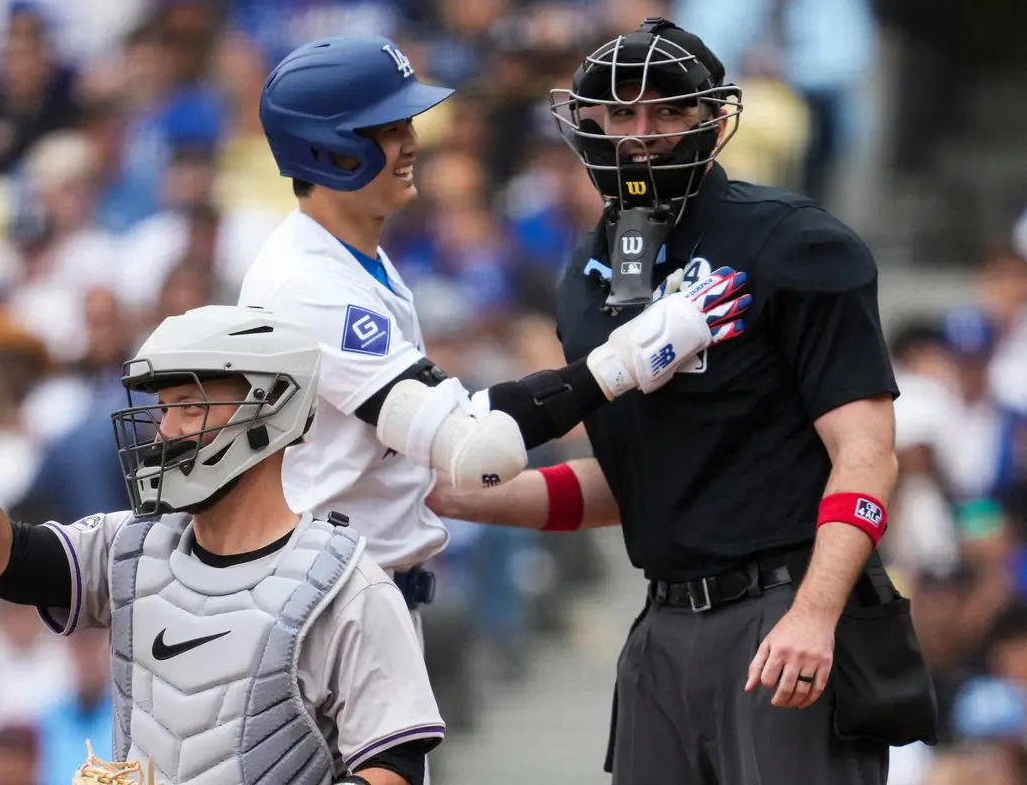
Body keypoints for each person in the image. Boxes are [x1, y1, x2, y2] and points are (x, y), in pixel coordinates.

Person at [428, 18, 938, 784]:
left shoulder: (797, 243)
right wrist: (465, 501)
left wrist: (816, 612)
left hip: (779, 608)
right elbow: (634, 476)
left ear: (712, 119)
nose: (644, 133)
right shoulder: (588, 270)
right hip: (662, 625)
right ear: (586, 122)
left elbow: (865, 453)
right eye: (623, 112)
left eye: (669, 110)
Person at [238, 34, 753, 620]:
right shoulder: (307, 283)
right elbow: (476, 450)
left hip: (350, 594)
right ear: (324, 149)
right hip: (323, 608)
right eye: (387, 129)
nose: (412, 143)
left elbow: (441, 467)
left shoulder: (353, 259)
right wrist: (625, 362)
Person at [0, 305, 445, 785]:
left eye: (190, 407)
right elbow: (12, 565)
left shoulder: (347, 583)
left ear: (273, 407)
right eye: (164, 409)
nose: (166, 431)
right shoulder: (132, 545)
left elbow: (394, 767)